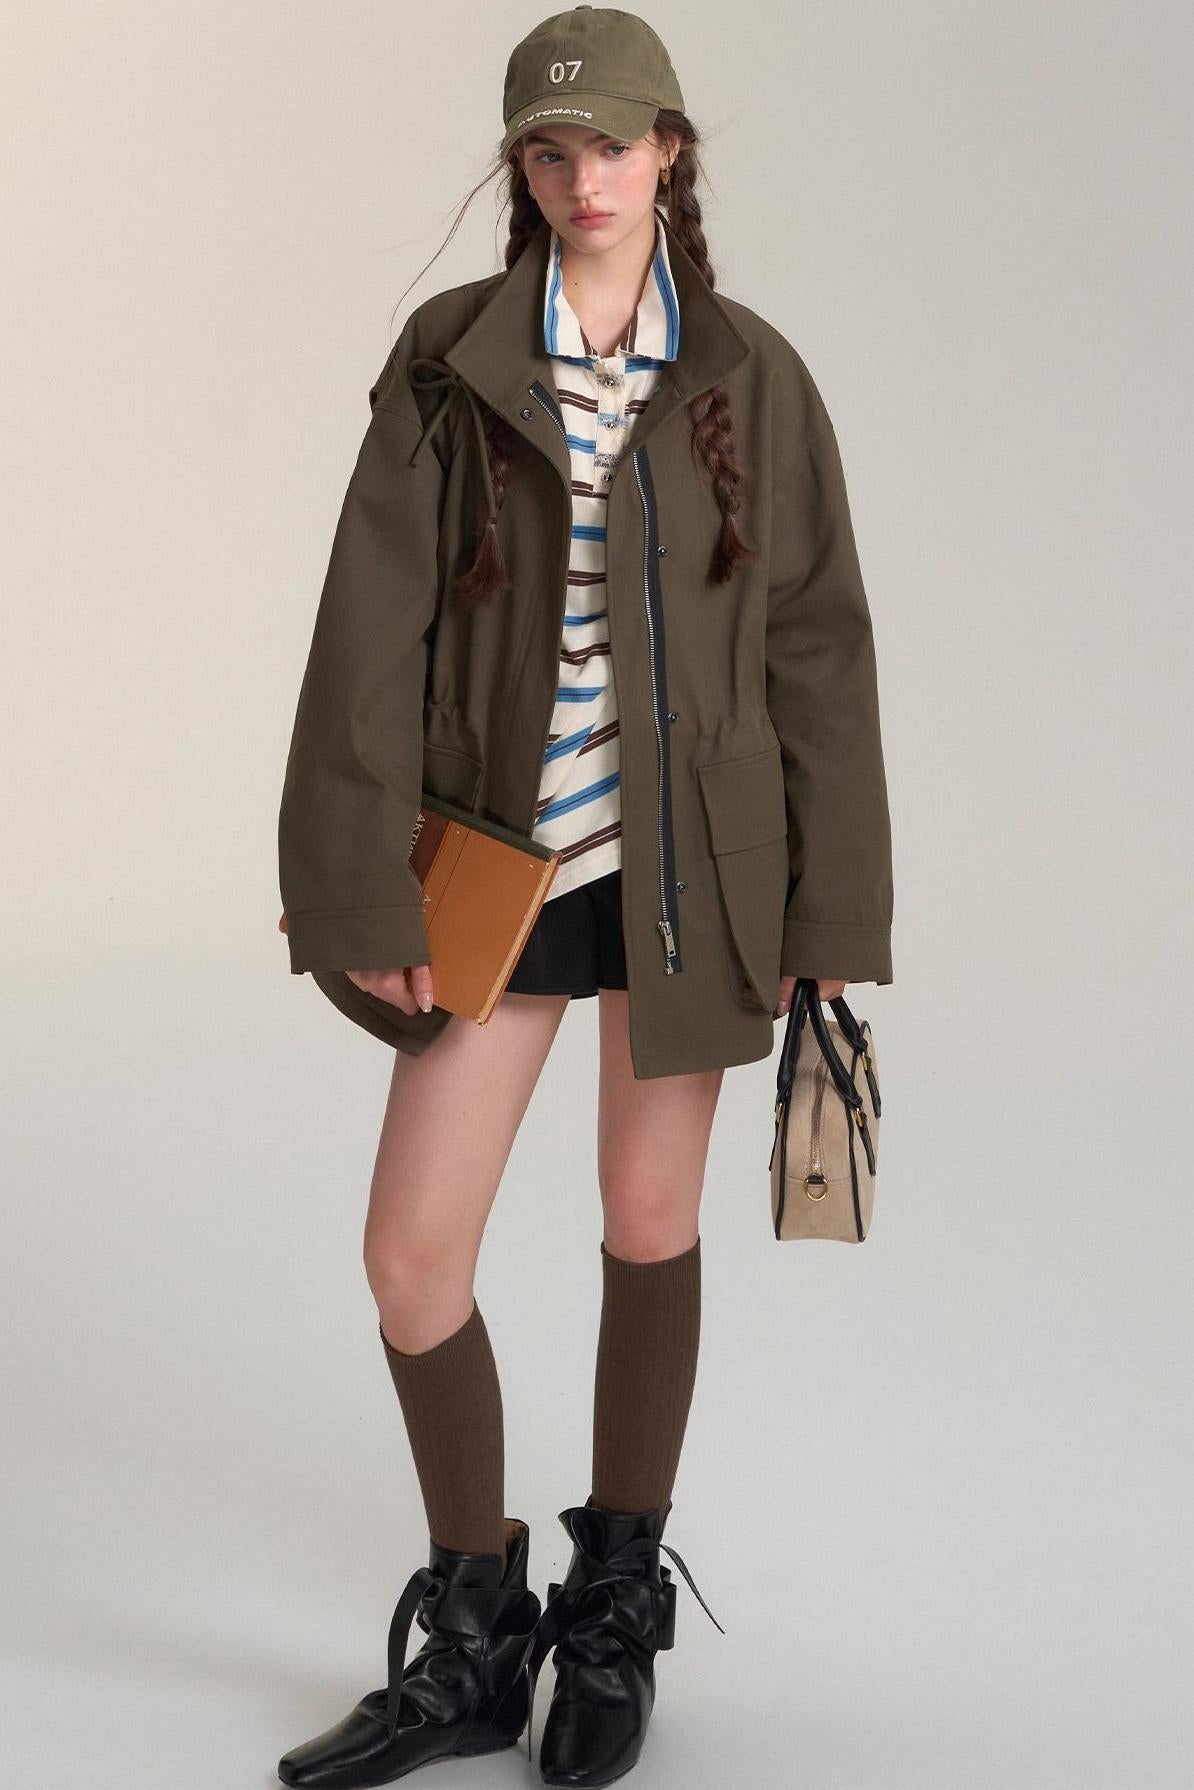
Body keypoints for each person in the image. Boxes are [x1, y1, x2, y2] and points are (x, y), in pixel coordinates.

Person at [275, 7, 894, 1787]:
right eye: (547, 152)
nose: (581, 178)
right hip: (498, 858)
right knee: (412, 1257)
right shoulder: (451, 359)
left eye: (610, 144)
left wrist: (830, 924)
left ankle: (612, 1607)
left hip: (698, 870)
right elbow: (367, 627)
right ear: (522, 170)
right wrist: (355, 879)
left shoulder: (753, 376)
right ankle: (477, 1630)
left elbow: (817, 651)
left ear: (669, 151)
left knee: (646, 1217)